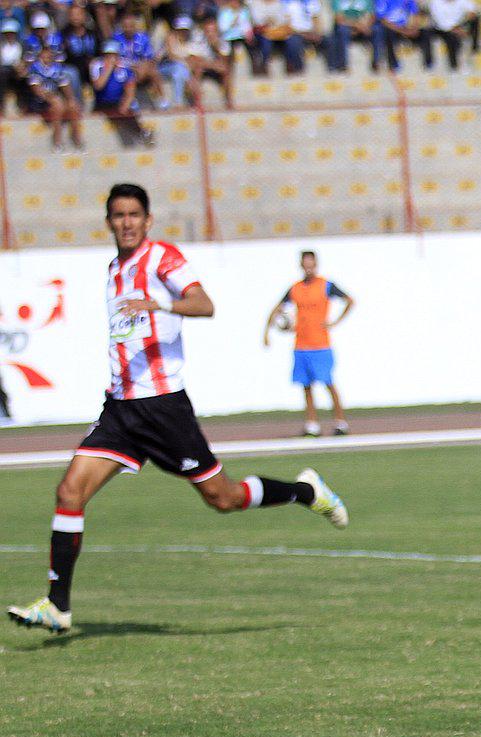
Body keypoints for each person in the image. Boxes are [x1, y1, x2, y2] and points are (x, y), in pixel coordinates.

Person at [6, 184, 348, 636]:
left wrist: (160, 303)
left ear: (148, 221)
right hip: (121, 411)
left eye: (134, 215)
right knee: (69, 493)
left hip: (164, 409)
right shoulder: (113, 268)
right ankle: (58, 605)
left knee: (222, 498)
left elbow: (205, 304)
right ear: (108, 221)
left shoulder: (161, 258)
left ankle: (306, 492)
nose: (126, 222)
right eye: (118, 215)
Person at [264, 249, 355, 436]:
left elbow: (350, 300)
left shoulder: (326, 285)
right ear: (301, 266)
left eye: (311, 264)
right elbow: (278, 308)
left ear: (316, 264)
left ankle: (340, 422)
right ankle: (312, 424)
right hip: (301, 345)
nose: (308, 268)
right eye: (305, 265)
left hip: (321, 344)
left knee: (328, 383)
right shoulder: (295, 288)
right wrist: (267, 331)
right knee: (306, 386)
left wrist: (335, 322)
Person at [91, 40, 153, 146]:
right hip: (101, 101)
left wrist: (126, 104)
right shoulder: (97, 65)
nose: (110, 58)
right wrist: (109, 69)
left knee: (127, 111)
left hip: (117, 101)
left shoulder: (124, 68)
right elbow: (98, 86)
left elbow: (130, 89)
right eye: (107, 55)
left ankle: (143, 133)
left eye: (113, 55)